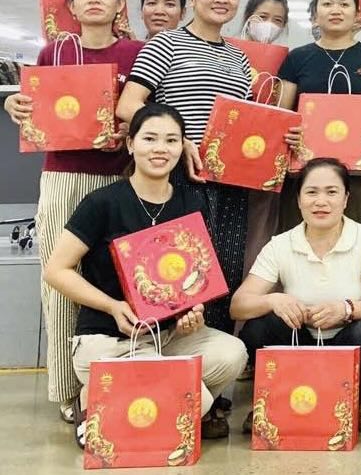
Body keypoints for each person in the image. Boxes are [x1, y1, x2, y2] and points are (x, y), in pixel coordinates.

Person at [117, 0, 301, 421]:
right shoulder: (167, 44)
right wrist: (180, 142)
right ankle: (168, 385)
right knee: (178, 280)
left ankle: (212, 396)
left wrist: (285, 137)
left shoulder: (239, 59)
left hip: (232, 184)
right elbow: (128, 104)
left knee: (221, 282)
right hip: (179, 183)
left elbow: (249, 124)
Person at [43, 103, 248, 444]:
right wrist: (112, 305)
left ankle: (122, 408)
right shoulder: (102, 202)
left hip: (168, 339)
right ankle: (114, 403)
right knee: (198, 396)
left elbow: (191, 280)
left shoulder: (191, 202)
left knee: (233, 353)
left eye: (171, 140)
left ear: (182, 147)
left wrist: (191, 312)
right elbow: (56, 270)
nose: (160, 149)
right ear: (131, 144)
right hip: (109, 343)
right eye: (150, 138)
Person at [4, 0, 142, 423]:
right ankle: (69, 388)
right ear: (72, 6)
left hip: (122, 178)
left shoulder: (137, 53)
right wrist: (14, 105)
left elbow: (149, 113)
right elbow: (33, 114)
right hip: (65, 175)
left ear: (121, 4)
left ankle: (124, 376)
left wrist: (131, 129)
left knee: (123, 279)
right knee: (62, 280)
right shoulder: (54, 51)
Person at [231, 157, 361, 433]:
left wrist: (346, 310)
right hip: (299, 340)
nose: (321, 201)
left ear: (346, 199)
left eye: (332, 192)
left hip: (346, 339)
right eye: (311, 192)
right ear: (298, 200)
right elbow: (238, 306)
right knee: (259, 327)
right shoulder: (280, 245)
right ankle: (273, 400)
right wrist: (273, 299)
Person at [276, 0, 361, 230]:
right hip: (304, 170)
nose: (336, 10)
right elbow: (281, 114)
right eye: (327, 4)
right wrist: (288, 133)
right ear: (315, 15)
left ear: (357, 13)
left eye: (344, 4)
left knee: (350, 238)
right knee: (299, 237)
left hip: (355, 172)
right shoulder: (297, 57)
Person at [239, 0, 290, 282]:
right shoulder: (229, 54)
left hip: (265, 164)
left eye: (278, 20)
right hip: (223, 160)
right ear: (248, 17)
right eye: (262, 16)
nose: (269, 24)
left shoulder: (286, 62)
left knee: (258, 241)